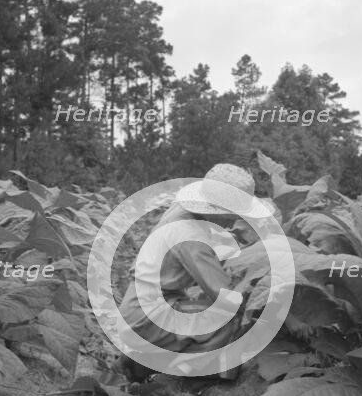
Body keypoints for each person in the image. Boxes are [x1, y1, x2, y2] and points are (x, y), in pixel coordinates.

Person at [116, 164, 271, 384]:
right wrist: (263, 302)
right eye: (232, 215)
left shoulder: (181, 211)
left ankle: (142, 363)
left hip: (138, 306)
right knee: (229, 318)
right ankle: (192, 378)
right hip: (148, 316)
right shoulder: (191, 236)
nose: (232, 220)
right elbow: (225, 295)